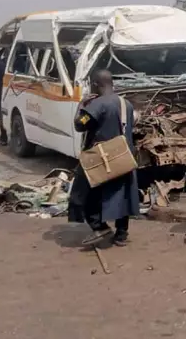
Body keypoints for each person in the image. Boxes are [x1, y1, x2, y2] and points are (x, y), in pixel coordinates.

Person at [68, 70, 140, 246]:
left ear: (95, 84)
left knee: (82, 192)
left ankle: (99, 226)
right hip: (123, 156)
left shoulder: (96, 105)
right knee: (122, 194)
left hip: (101, 158)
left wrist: (82, 105)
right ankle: (121, 234)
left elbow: (79, 125)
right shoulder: (126, 104)